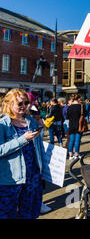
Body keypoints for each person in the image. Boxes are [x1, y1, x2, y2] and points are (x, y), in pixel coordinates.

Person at [0, 89, 46, 219]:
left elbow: (38, 147)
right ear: (8, 104)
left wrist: (42, 170)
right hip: (11, 179)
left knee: (30, 213)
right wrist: (22, 139)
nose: (24, 106)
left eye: (26, 103)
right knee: (7, 214)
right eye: (19, 103)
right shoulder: (2, 125)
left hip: (32, 176)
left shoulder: (30, 121)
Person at [67, 94, 83, 160]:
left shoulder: (69, 107)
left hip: (71, 124)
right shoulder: (80, 106)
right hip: (78, 125)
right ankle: (76, 154)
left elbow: (67, 116)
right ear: (78, 99)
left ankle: (70, 154)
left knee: (71, 140)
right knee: (77, 140)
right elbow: (84, 114)